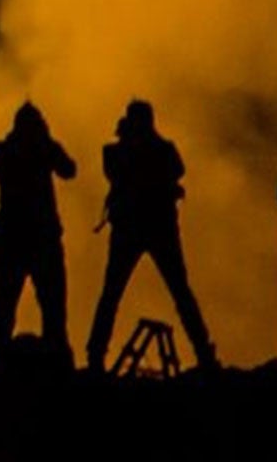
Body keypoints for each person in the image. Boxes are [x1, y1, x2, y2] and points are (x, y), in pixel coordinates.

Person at [84, 100, 217, 372]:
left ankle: (95, 354)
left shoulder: (118, 152)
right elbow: (175, 170)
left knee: (113, 293)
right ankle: (204, 352)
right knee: (178, 292)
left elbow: (121, 172)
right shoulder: (158, 151)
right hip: (157, 227)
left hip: (133, 229)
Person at [0, 101, 78, 371]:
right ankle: (56, 360)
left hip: (14, 237)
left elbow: (69, 170)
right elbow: (68, 169)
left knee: (9, 305)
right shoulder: (22, 150)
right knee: (47, 303)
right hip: (37, 236)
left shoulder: (4, 150)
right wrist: (46, 143)